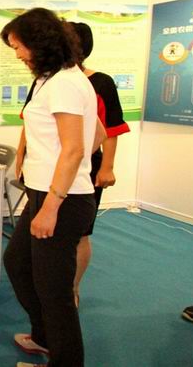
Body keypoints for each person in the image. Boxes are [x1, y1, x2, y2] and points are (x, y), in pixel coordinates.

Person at [1, 8, 104, 367]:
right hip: (46, 193)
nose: (17, 54)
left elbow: (76, 148)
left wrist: (53, 202)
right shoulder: (55, 78)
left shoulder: (64, 84)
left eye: (19, 46)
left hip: (61, 200)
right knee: (17, 263)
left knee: (54, 292)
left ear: (39, 43)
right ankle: (44, 337)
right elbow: (96, 134)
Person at [70, 22, 129, 306]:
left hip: (87, 166)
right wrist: (21, 157)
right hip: (47, 167)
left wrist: (107, 166)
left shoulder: (101, 82)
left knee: (80, 231)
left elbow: (111, 129)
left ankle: (72, 288)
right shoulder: (46, 79)